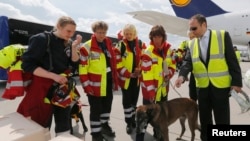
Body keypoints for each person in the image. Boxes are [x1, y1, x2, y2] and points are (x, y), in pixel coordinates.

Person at [174, 14, 242, 141]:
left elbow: (232, 60)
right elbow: (187, 62)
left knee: (222, 120)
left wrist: (237, 82)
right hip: (203, 88)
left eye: (194, 28)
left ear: (204, 25)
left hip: (220, 87)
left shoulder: (222, 36)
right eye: (190, 29)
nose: (191, 32)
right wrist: (182, 76)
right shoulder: (192, 43)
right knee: (205, 121)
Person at [17, 16, 82, 135]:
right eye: (68, 31)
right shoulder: (41, 39)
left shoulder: (69, 43)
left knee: (64, 123)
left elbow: (75, 64)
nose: (71, 34)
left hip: (62, 89)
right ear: (58, 26)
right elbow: (28, 65)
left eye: (73, 32)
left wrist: (74, 48)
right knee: (42, 123)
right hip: (42, 89)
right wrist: (53, 76)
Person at [78, 21, 118, 141]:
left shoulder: (108, 45)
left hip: (108, 82)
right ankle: (96, 134)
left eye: (104, 32)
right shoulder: (86, 47)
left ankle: (104, 126)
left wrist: (115, 81)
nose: (102, 35)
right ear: (94, 32)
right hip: (94, 85)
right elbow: (82, 68)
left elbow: (112, 64)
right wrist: (86, 86)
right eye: (99, 32)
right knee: (96, 110)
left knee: (107, 107)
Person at [136, 25, 176, 141]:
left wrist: (169, 74)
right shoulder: (148, 52)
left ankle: (158, 133)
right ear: (151, 37)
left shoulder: (169, 50)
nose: (157, 39)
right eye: (154, 37)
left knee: (161, 115)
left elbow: (172, 65)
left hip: (163, 90)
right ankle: (139, 137)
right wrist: (150, 93)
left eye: (159, 36)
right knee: (145, 116)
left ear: (163, 37)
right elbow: (146, 75)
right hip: (150, 91)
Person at [114, 24, 146, 134]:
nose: (128, 36)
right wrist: (128, 74)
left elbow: (145, 58)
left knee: (134, 101)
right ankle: (128, 122)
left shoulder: (141, 44)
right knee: (127, 102)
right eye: (126, 33)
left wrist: (140, 69)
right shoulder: (120, 45)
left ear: (134, 34)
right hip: (126, 79)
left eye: (130, 34)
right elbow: (117, 63)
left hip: (136, 79)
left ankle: (133, 119)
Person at [177, 31, 197, 101]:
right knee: (192, 96)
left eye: (192, 37)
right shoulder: (190, 44)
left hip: (205, 80)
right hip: (194, 75)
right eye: (190, 37)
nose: (191, 39)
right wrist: (182, 76)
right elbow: (188, 61)